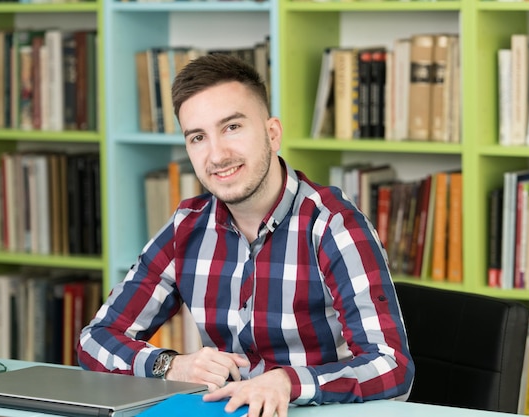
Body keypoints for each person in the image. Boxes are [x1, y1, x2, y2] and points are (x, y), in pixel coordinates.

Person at [77, 53, 414, 417]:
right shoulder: (187, 226)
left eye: (232, 127)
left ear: (272, 134)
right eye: (198, 137)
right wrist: (171, 366)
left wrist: (287, 381)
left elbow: (391, 366)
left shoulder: (332, 224)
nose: (217, 154)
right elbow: (95, 339)